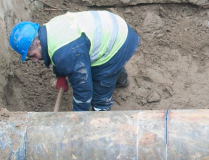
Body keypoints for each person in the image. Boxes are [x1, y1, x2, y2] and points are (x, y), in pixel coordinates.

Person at [9, 10, 139, 112]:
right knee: (96, 64)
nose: (35, 60)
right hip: (113, 26)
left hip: (118, 41)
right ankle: (120, 79)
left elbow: (83, 91)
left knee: (100, 88)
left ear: (38, 43)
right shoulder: (49, 29)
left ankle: (101, 115)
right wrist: (60, 75)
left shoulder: (66, 53)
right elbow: (56, 52)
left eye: (33, 55)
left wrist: (78, 118)